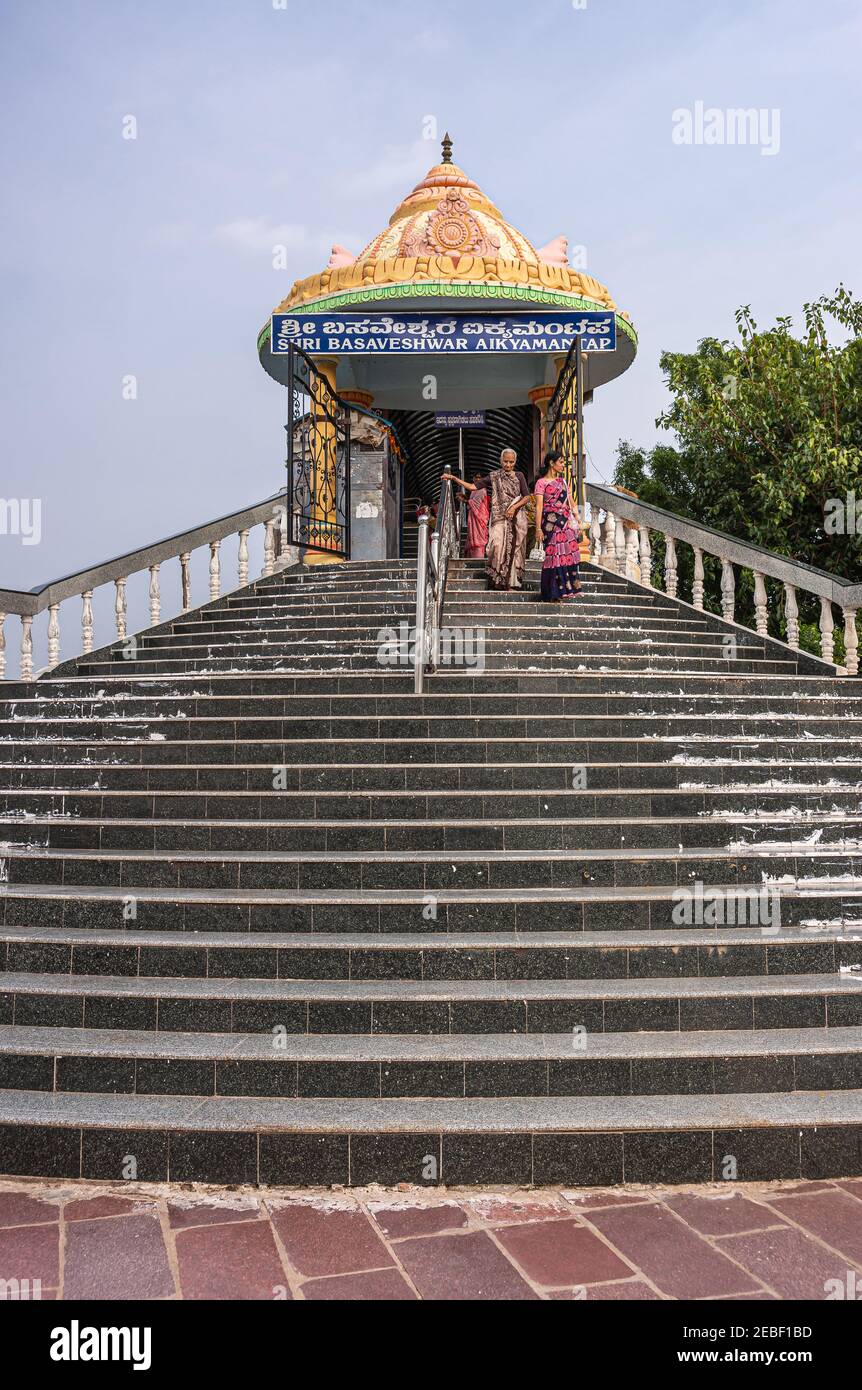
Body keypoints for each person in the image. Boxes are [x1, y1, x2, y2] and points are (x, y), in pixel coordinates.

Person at [444, 448, 530, 589]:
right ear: (500, 461)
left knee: (514, 550)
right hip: (499, 518)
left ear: (515, 462)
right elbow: (472, 486)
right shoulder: (493, 476)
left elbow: (527, 496)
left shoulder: (519, 476)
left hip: (516, 519)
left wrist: (514, 507)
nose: (508, 465)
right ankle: (497, 579)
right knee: (496, 545)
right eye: (505, 461)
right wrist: (454, 478)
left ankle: (510, 582)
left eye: (511, 462)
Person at [533, 449, 583, 602]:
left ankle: (563, 591)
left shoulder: (563, 482)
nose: (563, 465)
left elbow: (571, 501)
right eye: (561, 462)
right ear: (551, 463)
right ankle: (551, 593)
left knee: (565, 556)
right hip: (549, 524)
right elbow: (539, 507)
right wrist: (538, 528)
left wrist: (578, 520)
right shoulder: (541, 483)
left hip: (565, 523)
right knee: (553, 556)